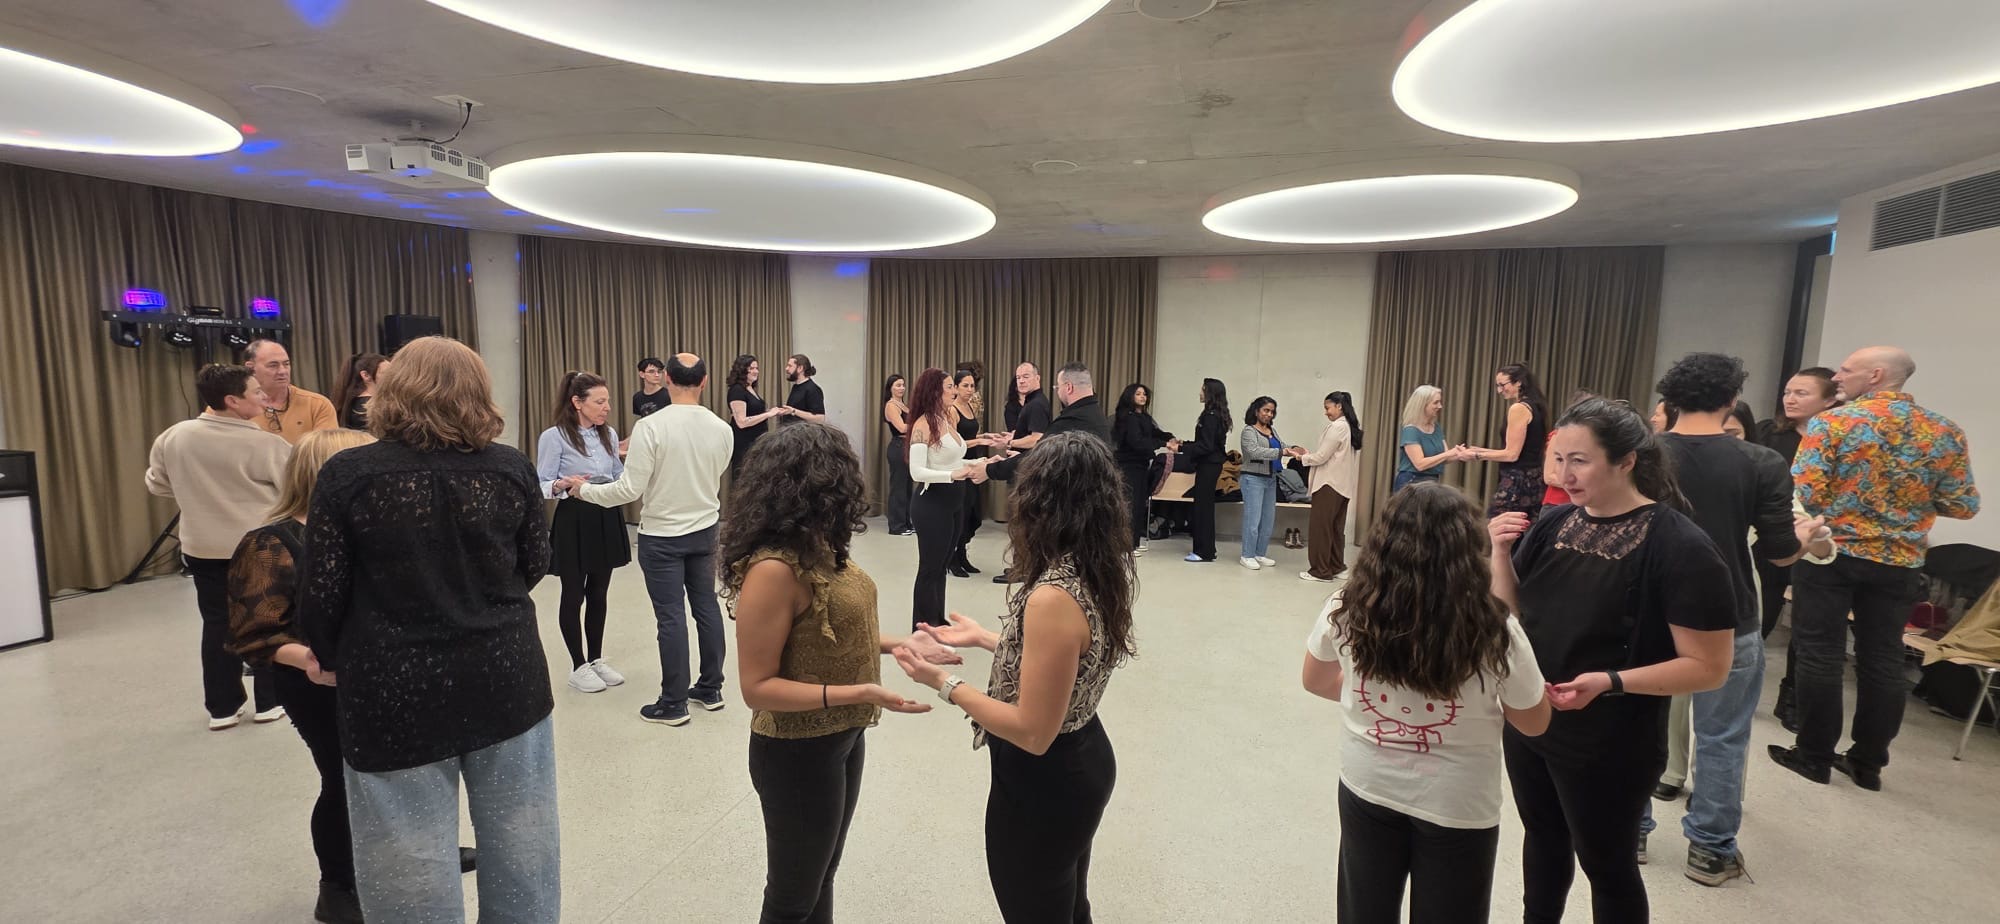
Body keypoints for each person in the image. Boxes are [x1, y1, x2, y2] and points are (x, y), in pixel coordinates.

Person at [295, 336, 558, 923]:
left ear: (390, 391)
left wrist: (326, 655)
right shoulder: (509, 467)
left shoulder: (348, 474)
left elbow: (322, 589)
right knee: (524, 842)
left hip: (392, 684)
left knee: (407, 856)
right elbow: (535, 564)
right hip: (506, 674)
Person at [1489, 397, 1738, 923]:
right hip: (1535, 720)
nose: (1563, 475)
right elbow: (1511, 617)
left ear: (1626, 461)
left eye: (1579, 461)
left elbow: (1709, 666)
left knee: (1607, 865)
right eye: (1558, 459)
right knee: (1543, 838)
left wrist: (1609, 681)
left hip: (1611, 739)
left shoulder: (1679, 546)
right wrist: (1500, 554)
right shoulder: (1555, 523)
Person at [720, 421, 962, 924]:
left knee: (822, 876)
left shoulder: (820, 547)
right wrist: (862, 690)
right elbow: (757, 688)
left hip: (842, 736)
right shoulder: (774, 570)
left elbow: (827, 631)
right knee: (791, 899)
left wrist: (898, 643)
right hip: (795, 751)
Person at [892, 431, 1136, 923]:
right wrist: (989, 638)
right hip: (1081, 757)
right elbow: (1066, 658)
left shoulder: (1053, 596)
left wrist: (943, 684)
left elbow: (1032, 730)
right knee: (1068, 906)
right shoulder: (1096, 566)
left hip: (1046, 781)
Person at [1302, 482, 1551, 924]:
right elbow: (1533, 723)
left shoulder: (1348, 605)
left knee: (1363, 910)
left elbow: (1316, 680)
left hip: (1368, 783)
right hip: (1457, 802)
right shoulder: (1495, 627)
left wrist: (1373, 694)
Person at [1643, 353, 1829, 886]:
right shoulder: (1762, 462)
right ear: (1731, 400)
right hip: (1728, 613)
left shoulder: (1640, 454)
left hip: (1646, 609)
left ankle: (1631, 832)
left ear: (1670, 400)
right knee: (1722, 735)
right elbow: (1779, 553)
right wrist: (1805, 538)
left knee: (1638, 724)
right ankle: (1710, 850)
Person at [1770, 346, 1980, 791]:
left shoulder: (1833, 423)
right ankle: (1868, 763)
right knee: (1883, 659)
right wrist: (1907, 503)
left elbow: (1804, 491)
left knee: (1820, 653)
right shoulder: (1944, 431)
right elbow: (1963, 505)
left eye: (1846, 369)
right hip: (1900, 561)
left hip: (1831, 553)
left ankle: (1813, 755)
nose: (1837, 376)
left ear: (1876, 375)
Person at [225, 428, 381, 924]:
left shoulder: (376, 530)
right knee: (343, 779)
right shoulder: (270, 543)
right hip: (319, 685)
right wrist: (310, 661)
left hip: (383, 676)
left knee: (398, 773)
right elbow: (254, 631)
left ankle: (405, 849)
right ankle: (337, 884)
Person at [563, 353, 736, 727]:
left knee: (670, 616)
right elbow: (717, 470)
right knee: (706, 607)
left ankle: (673, 703)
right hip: (706, 529)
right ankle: (711, 689)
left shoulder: (651, 427)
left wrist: (583, 490)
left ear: (667, 379)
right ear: (704, 382)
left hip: (663, 537)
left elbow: (628, 490)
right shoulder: (722, 428)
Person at [146, 363, 293, 730]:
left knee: (216, 623)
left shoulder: (174, 436)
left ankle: (222, 708)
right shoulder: (266, 444)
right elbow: (294, 489)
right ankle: (270, 701)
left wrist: (196, 491)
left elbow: (157, 484)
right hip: (257, 547)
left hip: (202, 546)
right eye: (256, 392)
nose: (264, 397)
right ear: (232, 400)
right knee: (268, 619)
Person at [1754, 367, 1841, 726]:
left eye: (1802, 393)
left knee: (1807, 626)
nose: (1790, 399)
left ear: (1829, 400)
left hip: (1816, 537)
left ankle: (1792, 701)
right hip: (1770, 536)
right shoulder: (1769, 434)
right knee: (1761, 612)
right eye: (1788, 391)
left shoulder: (1837, 439)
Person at [536, 371, 632, 695]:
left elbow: (618, 475)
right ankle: (578, 666)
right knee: (574, 593)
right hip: (574, 517)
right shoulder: (554, 436)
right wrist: (562, 484)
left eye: (608, 401)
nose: (607, 407)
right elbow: (541, 483)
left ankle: (595, 659)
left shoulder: (609, 434)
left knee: (599, 593)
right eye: (600, 401)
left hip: (605, 513)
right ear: (577, 402)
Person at [905, 368, 988, 630]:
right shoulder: (922, 425)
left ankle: (937, 623)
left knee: (941, 566)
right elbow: (916, 471)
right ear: (934, 392)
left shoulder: (945, 419)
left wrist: (981, 463)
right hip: (932, 504)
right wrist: (952, 475)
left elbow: (952, 461)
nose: (955, 391)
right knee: (930, 569)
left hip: (953, 501)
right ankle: (922, 629)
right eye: (950, 386)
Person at [1468, 363, 1548, 519]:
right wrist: (1478, 450)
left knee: (1497, 525)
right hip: (1534, 479)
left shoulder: (1519, 408)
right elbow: (1522, 450)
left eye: (1502, 385)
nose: (1499, 390)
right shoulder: (1536, 406)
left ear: (1518, 382)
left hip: (1517, 482)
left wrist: (1476, 455)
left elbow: (1511, 455)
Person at [1298, 391, 1361, 583]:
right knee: (1335, 528)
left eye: (1328, 408)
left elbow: (1321, 457)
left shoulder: (1337, 427)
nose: (1326, 412)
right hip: (1342, 485)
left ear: (1339, 406)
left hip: (1328, 484)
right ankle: (1336, 566)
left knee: (1321, 528)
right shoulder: (1349, 427)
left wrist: (1302, 457)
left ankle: (1320, 571)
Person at [1238, 396, 1305, 571]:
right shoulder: (1249, 431)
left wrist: (1295, 449)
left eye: (1272, 411)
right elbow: (1254, 452)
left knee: (1268, 520)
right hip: (1252, 479)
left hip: (1270, 479)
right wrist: (1281, 452)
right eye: (1266, 410)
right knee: (1253, 520)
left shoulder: (1271, 430)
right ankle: (1247, 555)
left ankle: (1259, 553)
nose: (1269, 414)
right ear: (1256, 411)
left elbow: (1282, 446)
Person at [1112, 383, 1178, 554]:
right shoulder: (1128, 417)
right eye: (1138, 394)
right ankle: (1126, 545)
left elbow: (1154, 433)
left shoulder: (1145, 417)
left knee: (1140, 503)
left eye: (1144, 394)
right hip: (1129, 465)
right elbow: (1137, 442)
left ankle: (1134, 541)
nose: (1142, 397)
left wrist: (1170, 437)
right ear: (1130, 396)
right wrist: (1163, 443)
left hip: (1141, 464)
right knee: (1131, 504)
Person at [244, 339, 338, 445]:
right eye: (273, 365)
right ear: (251, 368)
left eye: (286, 364)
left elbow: (326, 450)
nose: (282, 371)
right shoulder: (239, 406)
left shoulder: (317, 404)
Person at [1184, 378, 1232, 563]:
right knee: (1204, 506)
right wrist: (1184, 444)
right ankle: (1207, 550)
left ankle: (1203, 551)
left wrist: (1182, 448)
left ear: (1211, 393)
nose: (1200, 393)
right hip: (1210, 464)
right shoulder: (1214, 414)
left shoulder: (1211, 416)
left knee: (1202, 508)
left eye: (1203, 389)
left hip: (1209, 464)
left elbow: (1206, 446)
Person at [1395, 386, 1468, 493]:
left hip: (1432, 482)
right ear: (1422, 404)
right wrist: (1448, 454)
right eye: (1435, 403)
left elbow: (1445, 458)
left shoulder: (1436, 427)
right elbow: (1420, 464)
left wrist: (1460, 454)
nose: (1440, 406)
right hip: (1412, 483)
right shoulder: (1411, 430)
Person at [727, 354, 789, 477]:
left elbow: (754, 413)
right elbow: (742, 422)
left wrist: (774, 411)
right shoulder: (737, 390)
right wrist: (768, 414)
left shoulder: (749, 388)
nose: (756, 371)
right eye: (751, 368)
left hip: (757, 443)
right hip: (745, 444)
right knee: (744, 478)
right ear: (742, 370)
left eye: (757, 368)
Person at [951, 369, 987, 577]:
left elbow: (973, 435)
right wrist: (980, 441)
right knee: (961, 513)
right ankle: (953, 559)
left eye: (972, 385)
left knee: (973, 513)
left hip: (973, 465)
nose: (970, 389)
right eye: (965, 385)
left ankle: (962, 554)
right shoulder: (952, 410)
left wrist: (985, 437)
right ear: (956, 387)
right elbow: (955, 444)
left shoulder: (970, 407)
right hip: (960, 465)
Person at [882, 374, 914, 536]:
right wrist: (919, 424)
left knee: (907, 488)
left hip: (908, 447)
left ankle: (906, 522)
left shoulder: (903, 405)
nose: (901, 388)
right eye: (897, 385)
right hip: (898, 447)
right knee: (898, 488)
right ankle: (896, 526)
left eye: (903, 385)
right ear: (890, 388)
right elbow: (901, 427)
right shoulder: (891, 405)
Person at [329, 352, 388, 430]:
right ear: (366, 375)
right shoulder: (369, 407)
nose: (393, 377)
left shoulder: (351, 402)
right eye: (386, 373)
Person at [780, 354, 826, 426]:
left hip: (804, 432)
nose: (786, 368)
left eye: (790, 366)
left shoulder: (813, 389)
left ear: (800, 368)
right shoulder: (796, 386)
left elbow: (820, 419)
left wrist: (793, 411)